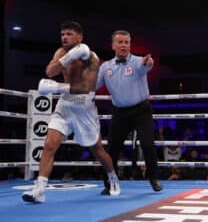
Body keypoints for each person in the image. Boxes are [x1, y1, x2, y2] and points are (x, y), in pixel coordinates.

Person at [22, 21, 120, 203]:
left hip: (84, 107)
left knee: (97, 150)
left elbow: (86, 87)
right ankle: (40, 189)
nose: (64, 37)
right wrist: (67, 58)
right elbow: (50, 72)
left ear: (79, 37)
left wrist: (57, 87)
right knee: (50, 145)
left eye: (68, 34)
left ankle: (113, 178)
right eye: (62, 34)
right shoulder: (61, 52)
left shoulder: (92, 58)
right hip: (64, 106)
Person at [96, 30, 162, 194]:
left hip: (141, 110)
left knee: (147, 144)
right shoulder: (105, 67)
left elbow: (148, 64)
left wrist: (149, 62)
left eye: (126, 42)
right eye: (120, 42)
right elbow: (93, 86)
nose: (124, 45)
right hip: (119, 112)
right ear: (113, 45)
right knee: (112, 148)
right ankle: (109, 183)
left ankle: (153, 177)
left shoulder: (138, 62)